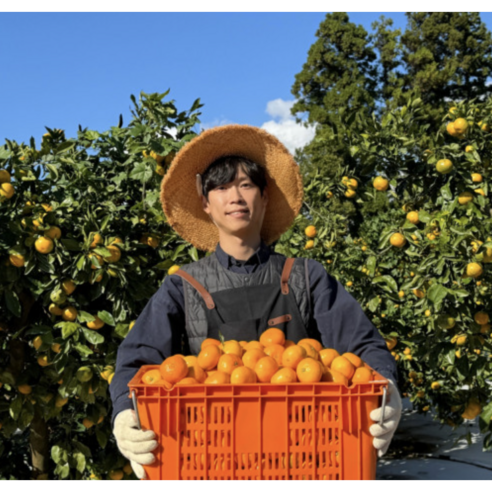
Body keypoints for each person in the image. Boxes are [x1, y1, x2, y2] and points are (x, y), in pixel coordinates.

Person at [111, 124, 402, 479]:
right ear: (206, 204)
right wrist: (126, 413)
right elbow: (136, 360)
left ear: (264, 197)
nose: (235, 196)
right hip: (211, 460)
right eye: (221, 187)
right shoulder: (182, 286)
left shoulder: (306, 277)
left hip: (307, 457)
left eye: (246, 185)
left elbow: (364, 346)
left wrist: (387, 392)